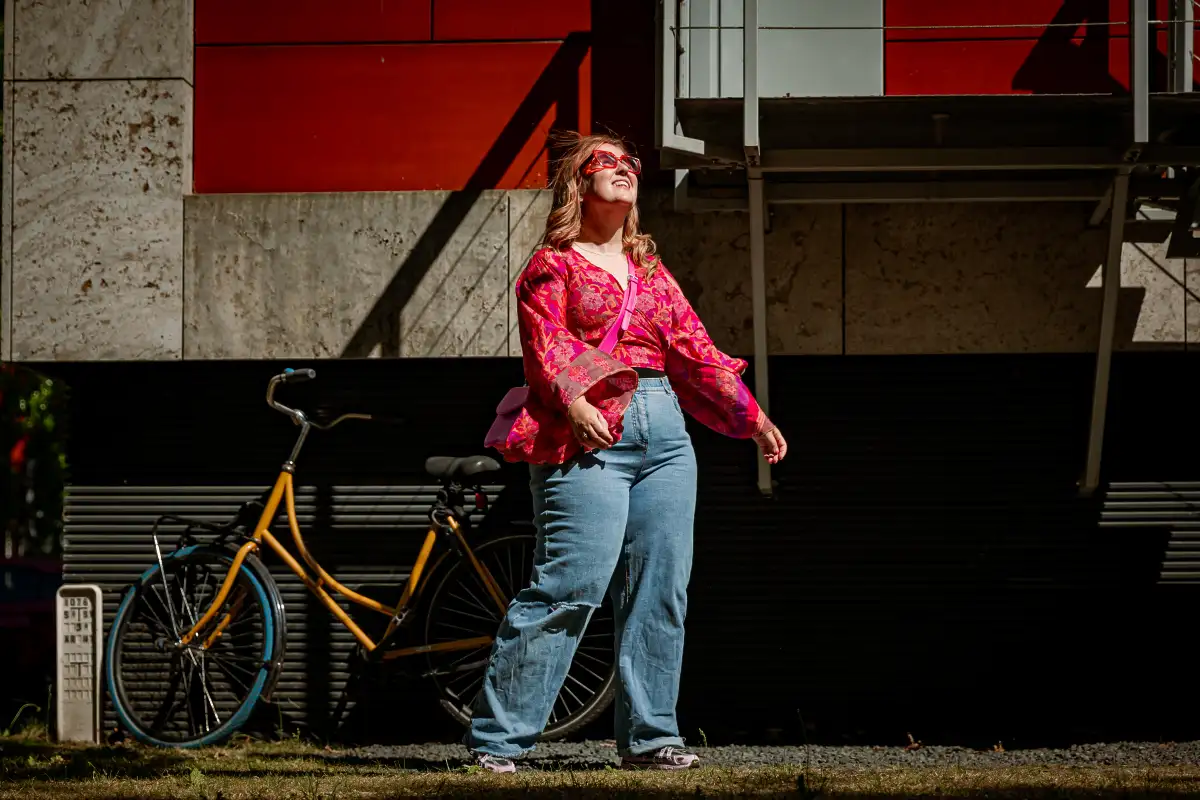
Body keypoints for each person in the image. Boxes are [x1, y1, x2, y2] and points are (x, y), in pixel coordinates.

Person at [470, 131, 787, 773]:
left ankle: (651, 738)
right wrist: (575, 401)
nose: (625, 170)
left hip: (665, 432)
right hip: (589, 429)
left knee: (662, 588)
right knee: (571, 583)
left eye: (631, 163)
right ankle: (498, 742)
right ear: (579, 183)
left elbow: (694, 348)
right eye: (607, 163)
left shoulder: (649, 269)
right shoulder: (551, 263)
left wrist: (750, 417)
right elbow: (545, 343)